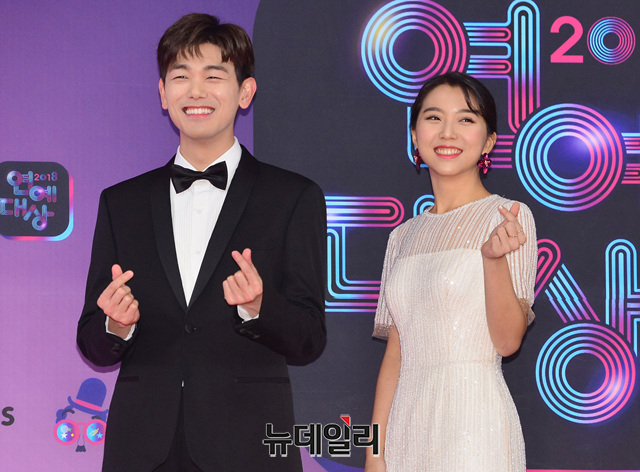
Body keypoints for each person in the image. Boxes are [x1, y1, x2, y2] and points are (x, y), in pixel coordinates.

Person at [77, 13, 327, 472]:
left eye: (213, 76)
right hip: (142, 447)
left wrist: (259, 308)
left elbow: (309, 338)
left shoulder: (292, 197)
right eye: (181, 77)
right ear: (162, 93)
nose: (195, 91)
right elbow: (91, 340)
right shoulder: (121, 202)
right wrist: (115, 324)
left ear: (245, 92)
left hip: (248, 445)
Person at [364, 72, 537, 472]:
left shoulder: (508, 218)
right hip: (407, 426)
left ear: (489, 141)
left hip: (474, 424)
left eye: (466, 119)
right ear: (414, 135)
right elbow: (395, 355)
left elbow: (508, 342)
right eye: (433, 117)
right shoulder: (402, 236)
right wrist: (374, 453)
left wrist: (492, 260)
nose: (447, 132)